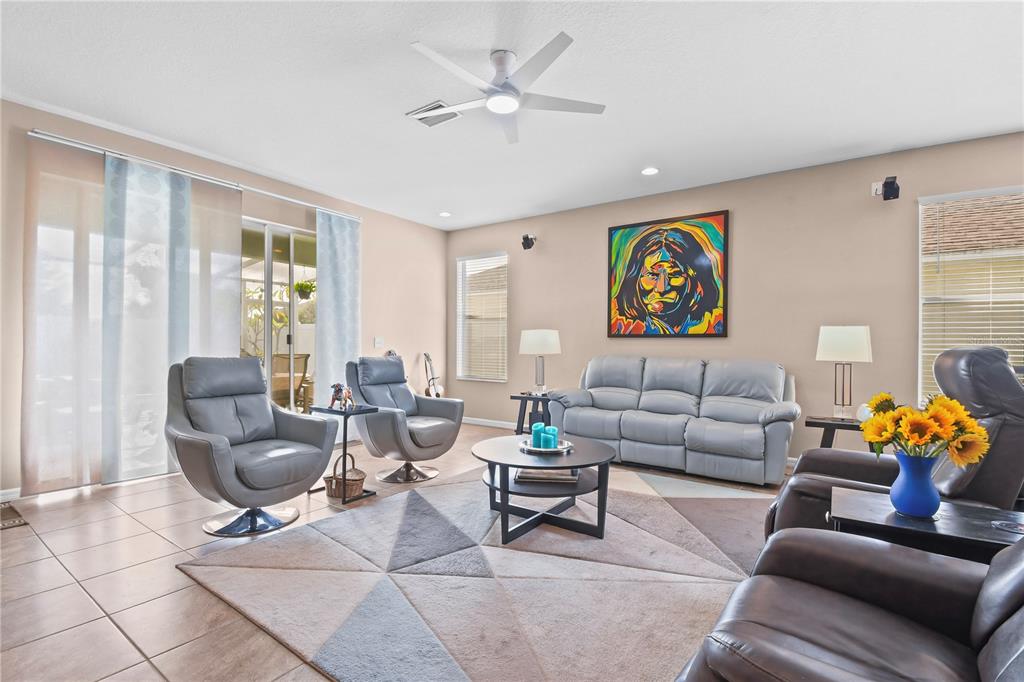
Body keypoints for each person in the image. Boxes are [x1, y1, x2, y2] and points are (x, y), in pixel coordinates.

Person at [610, 225, 724, 335]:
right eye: (651, 275)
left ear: (694, 280)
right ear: (635, 278)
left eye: (674, 275)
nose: (661, 288)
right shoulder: (620, 324)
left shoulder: (716, 323)